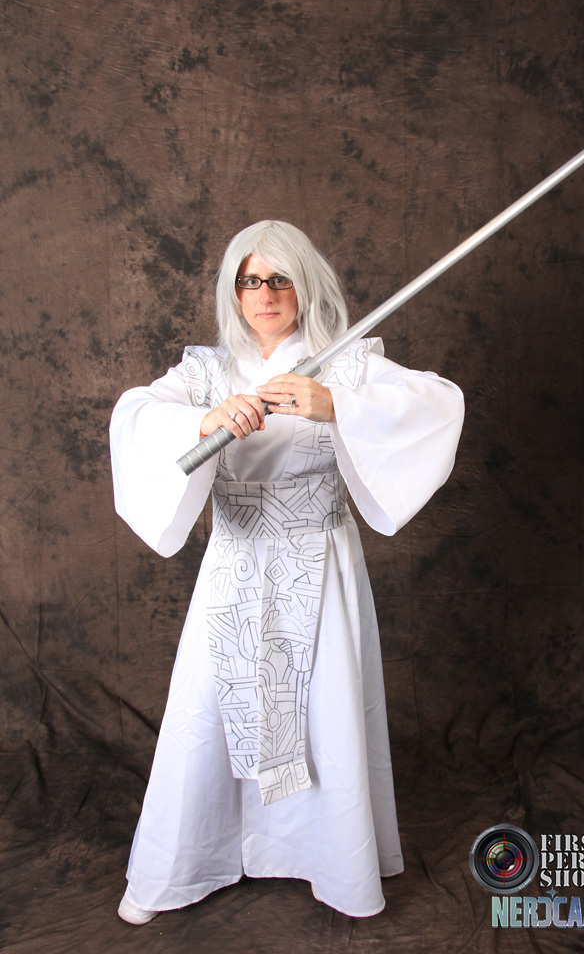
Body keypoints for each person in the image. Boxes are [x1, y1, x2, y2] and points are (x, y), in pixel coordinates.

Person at [109, 219, 464, 925]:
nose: (265, 294)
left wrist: (336, 405)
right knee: (207, 709)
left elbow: (435, 402)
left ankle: (330, 864)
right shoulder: (205, 371)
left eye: (279, 279)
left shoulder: (345, 363)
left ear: (304, 286)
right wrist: (205, 420)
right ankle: (182, 865)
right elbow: (135, 415)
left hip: (319, 562)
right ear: (233, 291)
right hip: (235, 561)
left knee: (323, 707)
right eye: (250, 280)